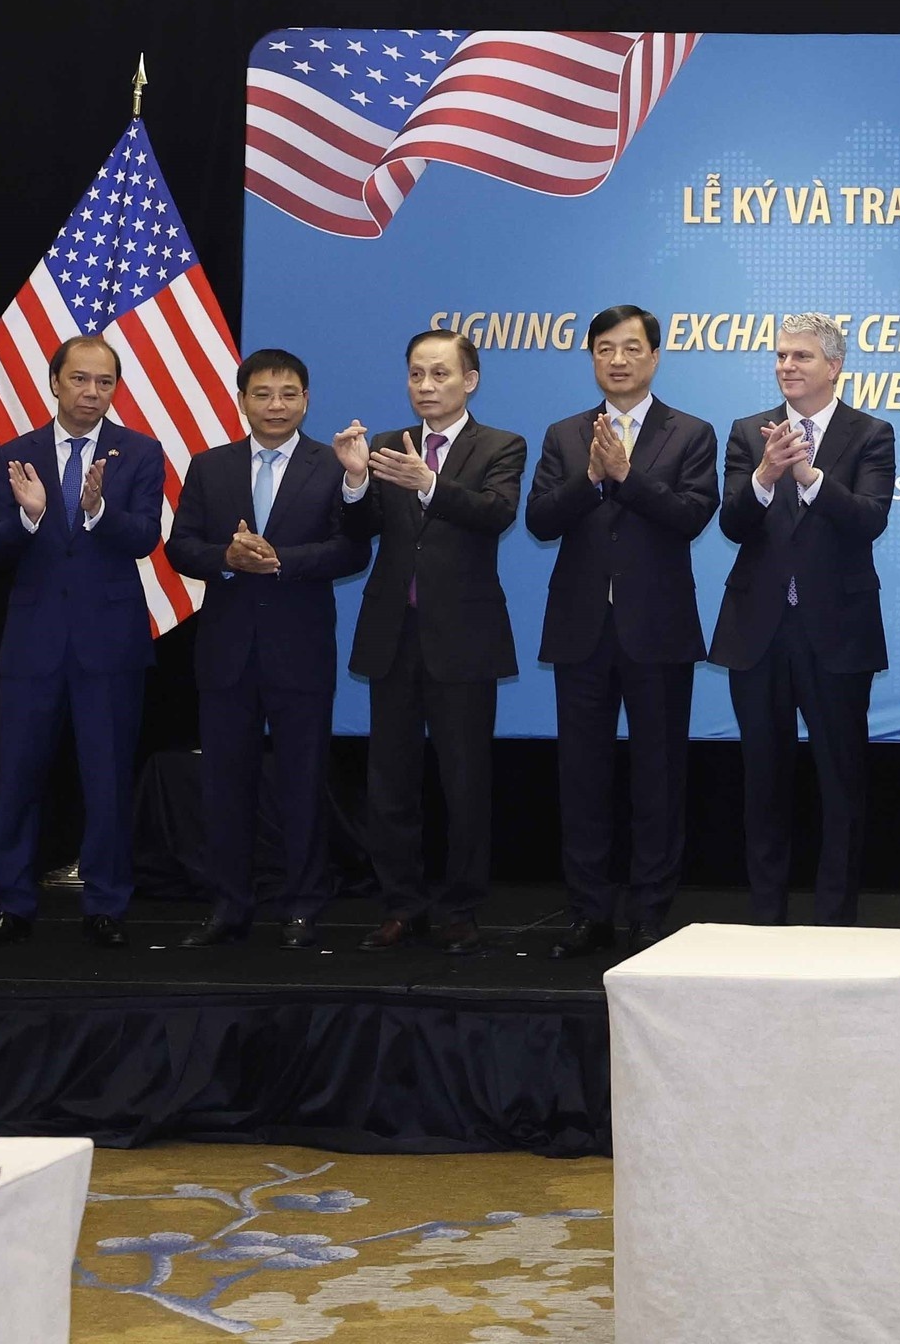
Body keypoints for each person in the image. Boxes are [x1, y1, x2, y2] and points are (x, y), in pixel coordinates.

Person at [525, 304, 721, 959]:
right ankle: (587, 912)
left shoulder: (690, 433)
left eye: (631, 348)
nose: (618, 360)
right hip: (581, 629)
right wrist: (589, 479)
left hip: (657, 630)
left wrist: (626, 478)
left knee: (658, 778)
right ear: (592, 357)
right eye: (605, 348)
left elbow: (691, 516)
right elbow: (540, 520)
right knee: (582, 778)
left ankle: (649, 913)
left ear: (654, 357)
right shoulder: (564, 434)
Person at [164, 348, 370, 950]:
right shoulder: (210, 466)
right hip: (226, 652)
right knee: (224, 783)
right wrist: (225, 558)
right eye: (262, 393)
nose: (275, 405)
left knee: (303, 781)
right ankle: (229, 904)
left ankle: (303, 904)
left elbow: (353, 550)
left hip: (300, 649)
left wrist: (282, 560)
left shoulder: (332, 467)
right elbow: (180, 546)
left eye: (288, 394)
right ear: (242, 400)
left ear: (306, 400)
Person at [0, 334, 166, 950]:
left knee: (107, 778)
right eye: (80, 379)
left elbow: (144, 538)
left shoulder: (140, 452)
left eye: (104, 382)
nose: (91, 392)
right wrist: (29, 516)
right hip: (33, 643)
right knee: (18, 777)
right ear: (54, 382)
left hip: (109, 644)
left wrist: (99, 510)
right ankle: (12, 903)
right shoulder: (16, 453)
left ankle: (106, 904)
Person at [338, 329, 526, 955]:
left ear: (470, 380)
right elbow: (360, 530)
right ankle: (402, 905)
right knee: (390, 781)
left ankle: (461, 908)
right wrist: (356, 482)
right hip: (394, 633)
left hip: (464, 637)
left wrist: (429, 485)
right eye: (416, 373)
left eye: (440, 374)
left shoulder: (500, 445)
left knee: (464, 780)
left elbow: (496, 513)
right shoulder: (387, 445)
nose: (426, 385)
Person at [711, 312, 896, 926]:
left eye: (801, 356)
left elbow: (869, 519)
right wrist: (766, 475)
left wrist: (810, 476)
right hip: (758, 632)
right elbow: (733, 523)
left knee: (842, 784)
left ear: (834, 366)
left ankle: (835, 922)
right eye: (781, 356)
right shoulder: (748, 432)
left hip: (837, 632)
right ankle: (766, 919)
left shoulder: (871, 434)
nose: (786, 366)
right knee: (763, 783)